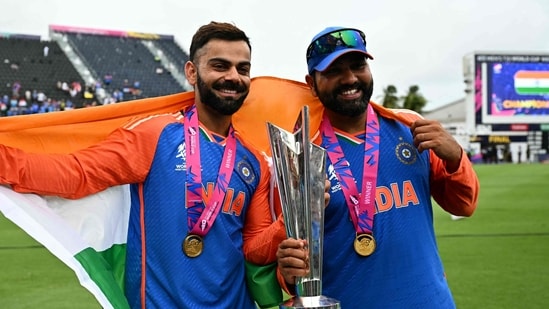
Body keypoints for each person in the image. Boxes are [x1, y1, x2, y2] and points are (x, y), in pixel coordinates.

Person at [0, 21, 281, 308]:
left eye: (242, 69)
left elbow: (255, 250)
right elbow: (77, 174)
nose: (233, 76)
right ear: (191, 72)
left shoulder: (254, 161)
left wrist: (292, 220)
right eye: (220, 66)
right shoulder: (155, 134)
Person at [246, 26, 479, 308]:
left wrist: (455, 158)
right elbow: (277, 259)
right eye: (333, 71)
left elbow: (464, 205)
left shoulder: (410, 128)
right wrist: (288, 269)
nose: (350, 78)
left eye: (358, 65)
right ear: (312, 82)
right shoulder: (299, 156)